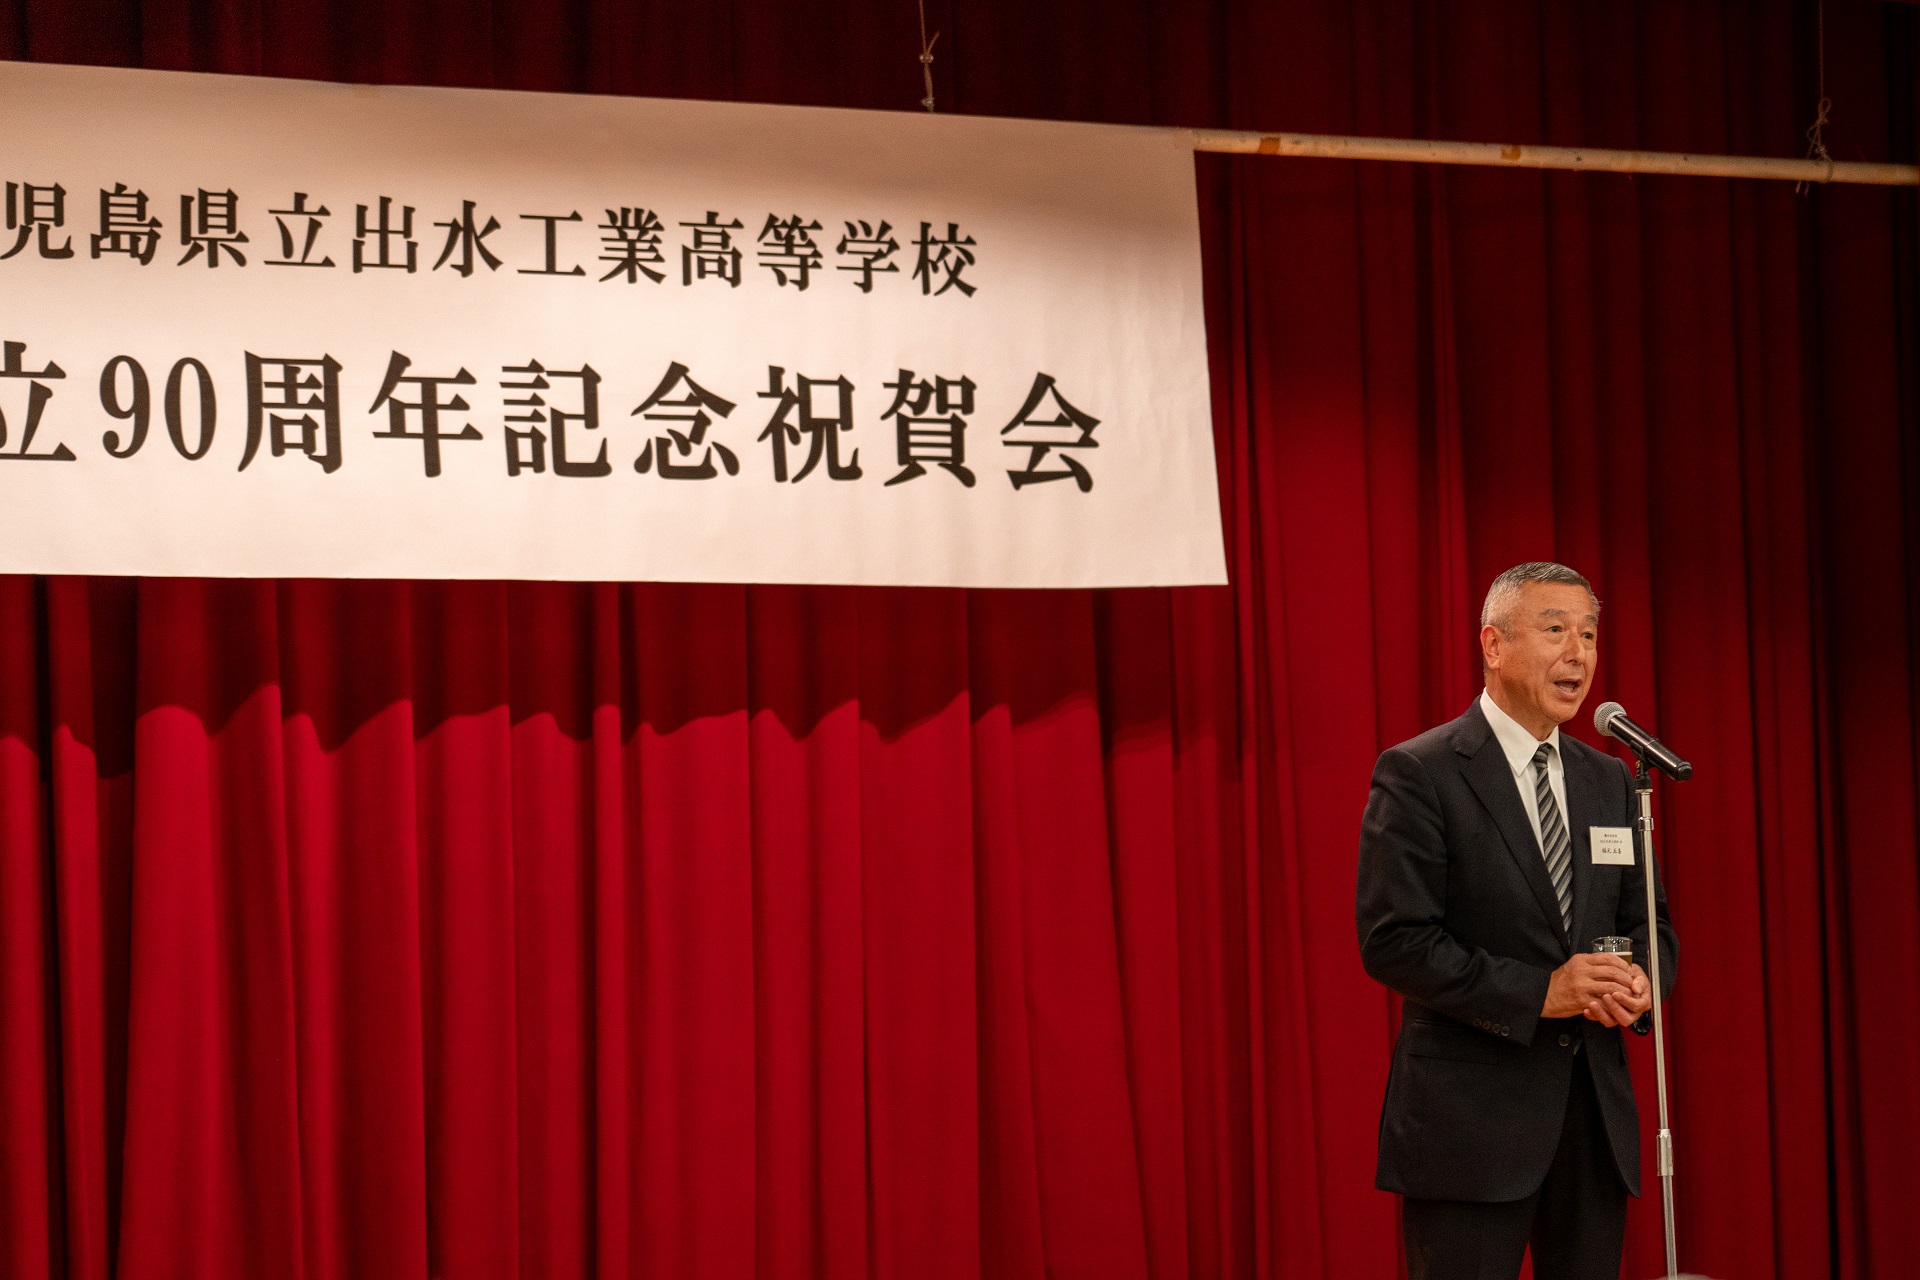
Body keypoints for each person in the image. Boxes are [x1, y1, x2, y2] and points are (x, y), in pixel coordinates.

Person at [1355, 562, 1678, 1280]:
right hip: (1469, 1127)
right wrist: (1541, 992)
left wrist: (1639, 983)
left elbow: (1649, 924)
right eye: (1555, 629)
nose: (1578, 653)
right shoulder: (1422, 772)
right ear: (1493, 645)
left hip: (1592, 1123)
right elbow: (1394, 941)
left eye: (1589, 634)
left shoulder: (1610, 779)